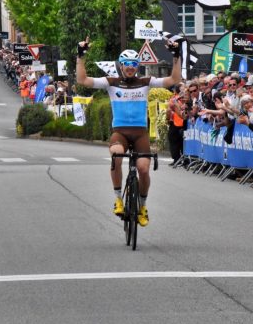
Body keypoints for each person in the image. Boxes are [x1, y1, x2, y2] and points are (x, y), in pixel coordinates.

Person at [75, 36, 182, 227]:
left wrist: (176, 56)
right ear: (121, 66)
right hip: (120, 132)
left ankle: (142, 206)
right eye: (126, 64)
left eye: (134, 64)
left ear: (138, 66)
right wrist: (81, 56)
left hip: (140, 132)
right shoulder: (111, 82)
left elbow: (174, 79)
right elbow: (82, 79)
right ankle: (118, 198)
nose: (130, 67)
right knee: (116, 157)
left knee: (143, 168)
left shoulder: (146, 82)